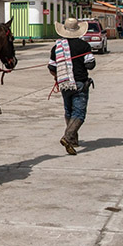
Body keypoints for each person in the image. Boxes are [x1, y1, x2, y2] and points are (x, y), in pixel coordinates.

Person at [48, 17, 96, 155]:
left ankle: (74, 140)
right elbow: (90, 65)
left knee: (69, 110)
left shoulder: (57, 47)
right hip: (80, 83)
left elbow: (51, 66)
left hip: (64, 84)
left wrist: (58, 76)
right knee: (79, 113)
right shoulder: (84, 46)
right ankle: (67, 137)